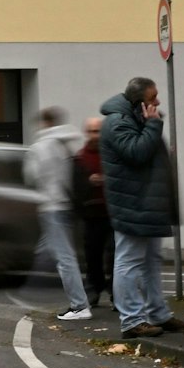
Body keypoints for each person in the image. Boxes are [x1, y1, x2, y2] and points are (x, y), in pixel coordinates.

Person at [101, 77, 184, 339]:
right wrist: (152, 125)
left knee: (151, 260)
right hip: (132, 204)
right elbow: (136, 153)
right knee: (128, 261)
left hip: (145, 203)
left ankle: (157, 314)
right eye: (153, 98)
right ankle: (131, 320)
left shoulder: (134, 119)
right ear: (139, 102)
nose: (158, 102)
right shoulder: (118, 122)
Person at [24, 106, 90, 322]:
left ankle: (80, 306)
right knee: (49, 250)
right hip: (67, 205)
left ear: (44, 123)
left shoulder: (40, 147)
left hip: (50, 205)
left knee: (64, 257)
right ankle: (31, 288)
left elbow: (32, 177)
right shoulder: (66, 143)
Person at [70, 115, 114, 311]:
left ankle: (116, 292)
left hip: (112, 213)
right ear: (86, 133)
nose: (95, 135)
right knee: (92, 255)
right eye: (91, 131)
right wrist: (89, 181)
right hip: (90, 214)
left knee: (114, 256)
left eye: (98, 131)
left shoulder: (111, 154)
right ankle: (93, 290)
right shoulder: (80, 158)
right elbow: (75, 187)